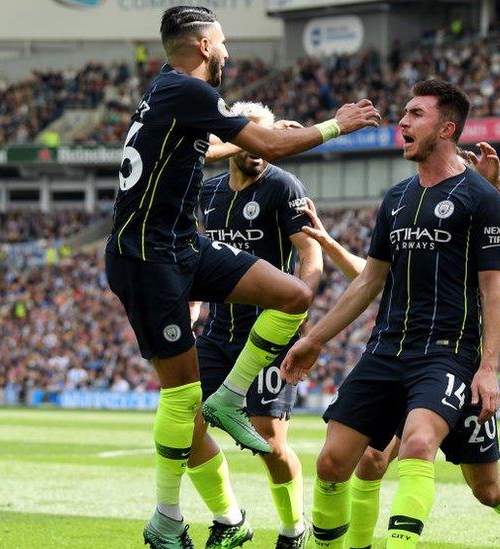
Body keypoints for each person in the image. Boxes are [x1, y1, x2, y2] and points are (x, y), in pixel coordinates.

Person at [102, 6, 379, 548]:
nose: (227, 51)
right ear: (204, 46)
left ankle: (230, 397)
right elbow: (270, 148)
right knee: (181, 401)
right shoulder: (190, 92)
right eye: (222, 42)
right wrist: (334, 125)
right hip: (147, 261)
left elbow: (219, 146)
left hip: (182, 247)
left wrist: (260, 137)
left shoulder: (167, 90)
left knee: (294, 294)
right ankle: (168, 518)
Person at [281, 79, 500, 549]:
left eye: (415, 114)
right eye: (403, 113)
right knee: (332, 463)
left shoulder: (480, 196)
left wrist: (488, 368)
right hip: (387, 349)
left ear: (447, 128)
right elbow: (368, 280)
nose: (401, 121)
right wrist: (316, 338)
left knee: (480, 484)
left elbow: (494, 288)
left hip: (449, 354)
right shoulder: (396, 199)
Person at [187, 101, 322, 549]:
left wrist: (298, 311)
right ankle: (230, 519)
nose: (261, 150)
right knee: (184, 427)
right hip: (218, 335)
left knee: (269, 441)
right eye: (254, 139)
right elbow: (193, 260)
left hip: (266, 339)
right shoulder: (208, 194)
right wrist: (190, 308)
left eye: (268, 141)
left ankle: (292, 529)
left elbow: (309, 255)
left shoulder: (284, 187)